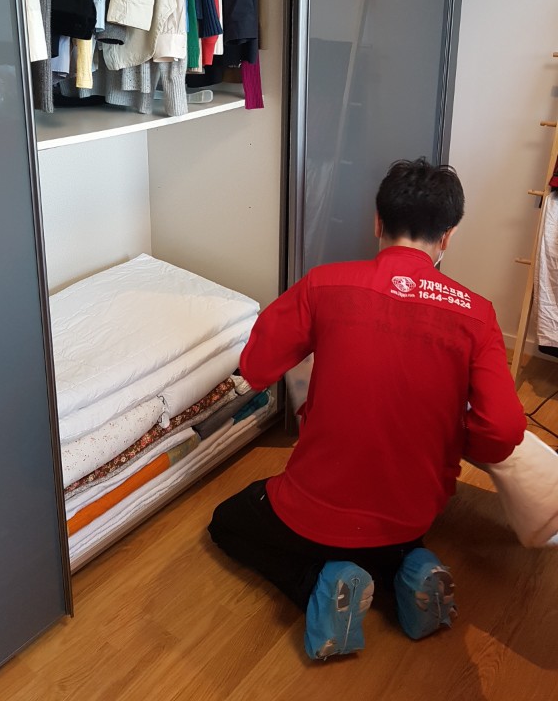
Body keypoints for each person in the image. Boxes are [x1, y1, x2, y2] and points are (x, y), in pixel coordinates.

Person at [208, 158, 526, 660]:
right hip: (413, 512)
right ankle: (407, 568)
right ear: (448, 236)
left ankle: (318, 581)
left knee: (227, 521)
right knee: (387, 529)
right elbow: (503, 430)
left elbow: (256, 366)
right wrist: (452, 437)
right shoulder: (478, 315)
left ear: (377, 222)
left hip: (313, 508)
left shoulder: (325, 284)